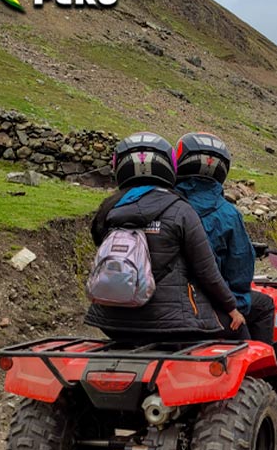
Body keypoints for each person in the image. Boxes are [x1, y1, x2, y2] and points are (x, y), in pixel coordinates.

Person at [85, 132, 245, 342]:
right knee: (241, 332)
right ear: (170, 166)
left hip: (109, 322)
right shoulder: (181, 209)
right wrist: (232, 308)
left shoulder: (109, 209)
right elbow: (207, 270)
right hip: (170, 324)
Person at [173, 132, 276, 346]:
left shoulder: (165, 205)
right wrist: (235, 306)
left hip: (165, 305)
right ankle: (265, 374)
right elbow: (239, 270)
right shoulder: (228, 214)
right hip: (210, 306)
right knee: (264, 306)